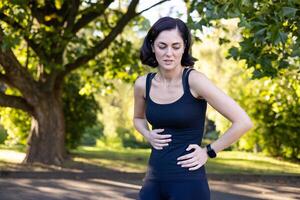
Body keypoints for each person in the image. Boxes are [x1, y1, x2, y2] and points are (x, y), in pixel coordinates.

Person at [133, 16, 253, 200]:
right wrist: (147, 134)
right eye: (162, 46)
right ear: (152, 46)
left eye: (176, 46)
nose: (169, 53)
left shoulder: (195, 81)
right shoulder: (143, 84)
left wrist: (209, 151)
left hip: (188, 183)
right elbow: (138, 118)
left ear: (185, 47)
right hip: (153, 180)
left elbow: (243, 122)